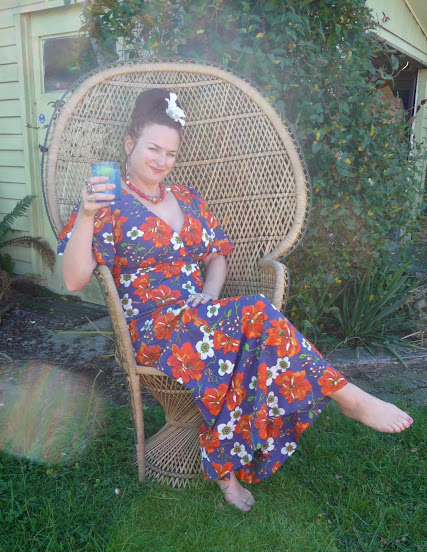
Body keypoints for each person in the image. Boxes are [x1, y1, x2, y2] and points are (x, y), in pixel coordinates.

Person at [58, 88, 413, 512]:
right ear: (130, 143)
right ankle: (347, 397)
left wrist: (208, 295)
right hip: (153, 329)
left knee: (247, 342)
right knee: (256, 313)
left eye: (171, 153)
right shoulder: (106, 202)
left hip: (200, 316)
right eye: (153, 148)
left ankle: (225, 468)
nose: (162, 160)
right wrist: (86, 214)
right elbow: (75, 280)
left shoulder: (187, 198)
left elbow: (217, 255)